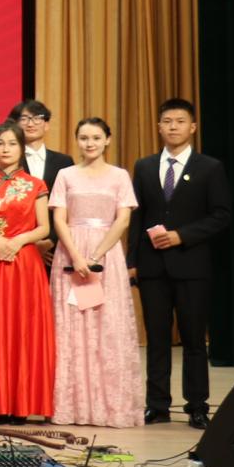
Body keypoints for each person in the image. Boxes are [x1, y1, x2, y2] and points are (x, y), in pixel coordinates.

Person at [130, 97, 234, 428]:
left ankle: (197, 405)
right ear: (159, 127)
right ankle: (157, 404)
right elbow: (137, 217)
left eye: (179, 121)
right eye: (167, 121)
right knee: (157, 340)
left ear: (192, 127)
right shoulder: (144, 166)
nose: (173, 127)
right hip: (152, 267)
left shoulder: (210, 167)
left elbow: (221, 215)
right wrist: (131, 261)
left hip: (192, 266)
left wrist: (182, 236)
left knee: (193, 340)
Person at [49, 117, 143, 429]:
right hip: (70, 254)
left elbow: (123, 220)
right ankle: (72, 406)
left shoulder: (119, 176)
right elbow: (59, 219)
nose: (90, 143)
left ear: (107, 140)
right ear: (77, 140)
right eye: (84, 138)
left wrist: (95, 256)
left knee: (106, 327)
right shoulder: (65, 175)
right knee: (71, 329)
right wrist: (77, 257)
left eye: (96, 138)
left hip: (106, 256)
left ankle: (108, 406)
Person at [0, 122, 54, 425]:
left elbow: (44, 227)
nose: (6, 149)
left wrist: (17, 241)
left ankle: (22, 403)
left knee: (23, 330)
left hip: (24, 263)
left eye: (12, 143)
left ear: (22, 148)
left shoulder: (36, 184)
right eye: (0, 143)